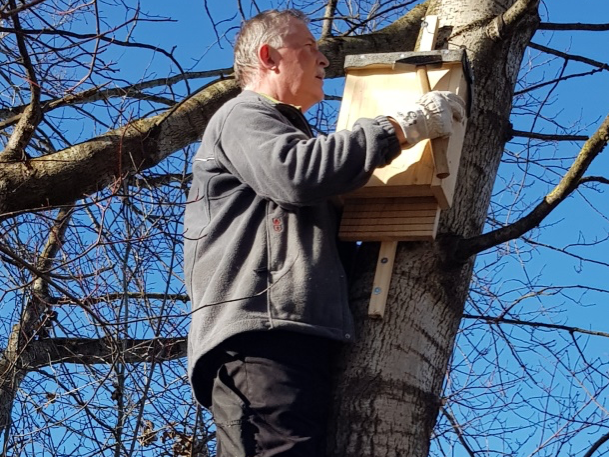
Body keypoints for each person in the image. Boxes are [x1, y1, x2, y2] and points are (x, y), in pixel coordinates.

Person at [183, 9, 465, 457]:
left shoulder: (286, 131)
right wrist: (398, 128)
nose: (324, 61)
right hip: (261, 338)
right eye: (309, 48)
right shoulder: (243, 114)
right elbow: (295, 173)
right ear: (269, 57)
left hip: (296, 336)